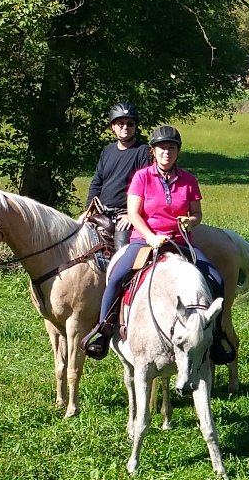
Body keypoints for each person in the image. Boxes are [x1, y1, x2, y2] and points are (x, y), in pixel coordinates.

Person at [85, 125, 225, 359]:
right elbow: (134, 214)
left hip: (180, 242)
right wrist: (150, 236)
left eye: (171, 148)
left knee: (217, 280)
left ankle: (216, 336)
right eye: (161, 148)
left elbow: (197, 214)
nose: (166, 153)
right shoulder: (142, 177)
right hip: (146, 241)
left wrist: (190, 222)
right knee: (117, 277)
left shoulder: (189, 180)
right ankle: (104, 330)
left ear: (177, 152)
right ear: (153, 151)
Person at [83, 103, 149, 250]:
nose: (125, 127)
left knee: (121, 251)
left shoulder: (143, 152)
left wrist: (132, 216)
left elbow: (148, 188)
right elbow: (97, 182)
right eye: (120, 123)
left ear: (135, 126)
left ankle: (124, 273)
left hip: (124, 216)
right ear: (113, 126)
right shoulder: (107, 151)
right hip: (101, 212)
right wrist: (87, 211)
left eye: (130, 124)